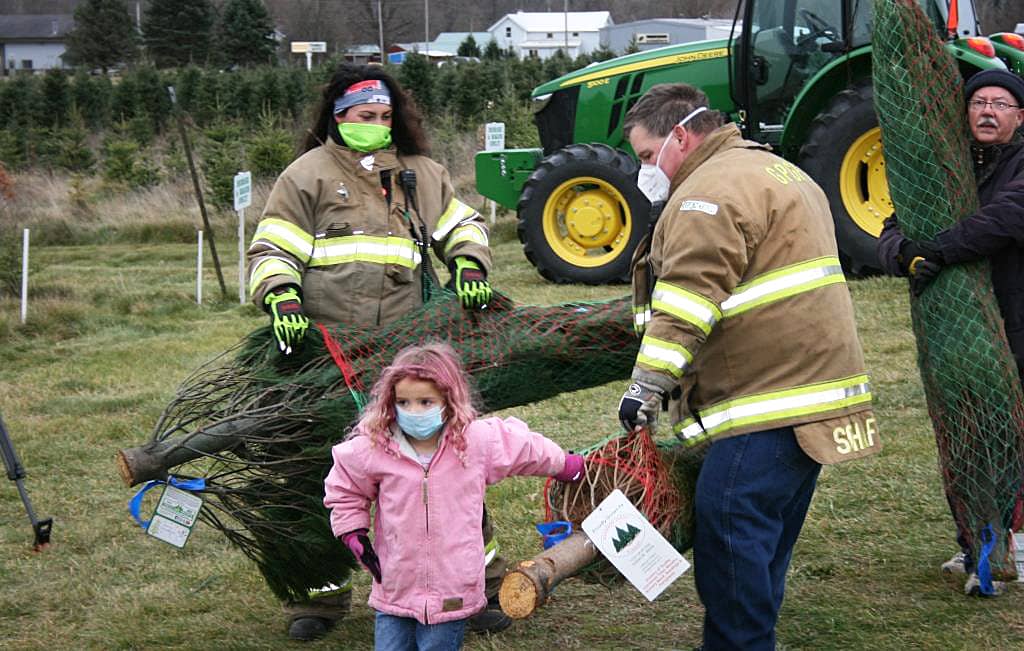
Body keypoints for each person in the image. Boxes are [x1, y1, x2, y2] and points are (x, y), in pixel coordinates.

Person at [616, 83, 880, 650]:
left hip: (767, 399)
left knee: (732, 531)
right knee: (763, 541)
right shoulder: (776, 171)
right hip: (812, 392)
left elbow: (688, 297)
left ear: (680, 136)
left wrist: (647, 385)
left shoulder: (706, 194)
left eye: (645, 156)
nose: (645, 171)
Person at [245, 63, 501, 640]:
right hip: (326, 351)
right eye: (365, 117)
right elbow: (273, 247)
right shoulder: (305, 176)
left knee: (445, 467)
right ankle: (320, 595)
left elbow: (465, 225)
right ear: (338, 118)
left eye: (385, 117)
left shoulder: (419, 173)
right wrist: (282, 297)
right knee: (318, 468)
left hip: (406, 354)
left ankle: (472, 586)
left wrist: (467, 261)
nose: (378, 127)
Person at [323, 343, 585, 651]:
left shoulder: (476, 442)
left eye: (425, 401)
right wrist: (352, 533)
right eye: (403, 402)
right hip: (395, 579)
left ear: (449, 399)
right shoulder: (375, 446)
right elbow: (345, 487)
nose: (413, 412)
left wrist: (566, 465)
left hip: (453, 586)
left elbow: (524, 448)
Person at [876, 68, 1024, 593]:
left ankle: (1009, 544)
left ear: (1020, 117)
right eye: (979, 102)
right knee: (969, 438)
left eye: (1001, 104)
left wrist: (934, 250)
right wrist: (902, 254)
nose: (988, 111)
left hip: (1015, 323)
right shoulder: (947, 168)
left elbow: (1006, 219)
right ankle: (979, 547)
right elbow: (894, 227)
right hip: (956, 336)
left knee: (1010, 436)